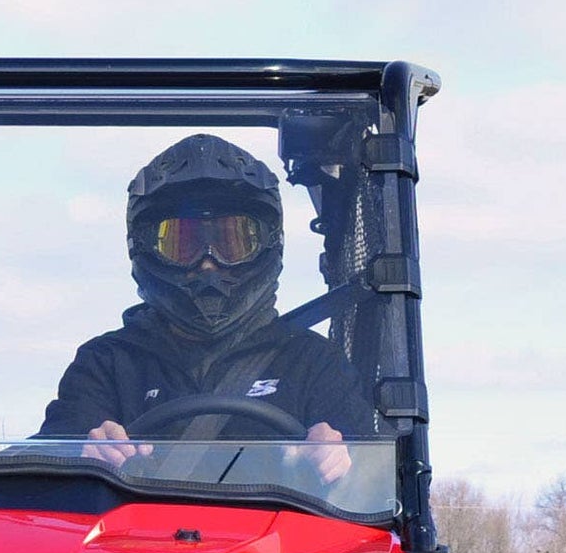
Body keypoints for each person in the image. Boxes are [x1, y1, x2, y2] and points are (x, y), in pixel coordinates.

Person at [38, 133, 373, 483]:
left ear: (268, 243)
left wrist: (341, 456)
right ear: (145, 247)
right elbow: (39, 479)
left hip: (282, 539)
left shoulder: (313, 363)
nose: (208, 265)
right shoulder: (105, 363)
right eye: (182, 244)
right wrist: (80, 453)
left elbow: (379, 490)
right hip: (136, 538)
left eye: (233, 241)